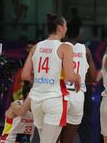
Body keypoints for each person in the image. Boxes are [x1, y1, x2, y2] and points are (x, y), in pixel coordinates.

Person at [21, 14, 81, 143]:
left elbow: (25, 75)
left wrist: (41, 77)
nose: (66, 29)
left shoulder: (36, 46)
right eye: (65, 26)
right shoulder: (66, 47)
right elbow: (70, 76)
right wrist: (78, 78)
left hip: (36, 100)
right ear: (60, 28)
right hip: (54, 99)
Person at [59, 22, 98, 143]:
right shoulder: (84, 50)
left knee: (54, 137)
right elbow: (93, 77)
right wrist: (79, 78)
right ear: (78, 33)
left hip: (60, 94)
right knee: (68, 139)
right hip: (77, 95)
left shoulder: (59, 47)